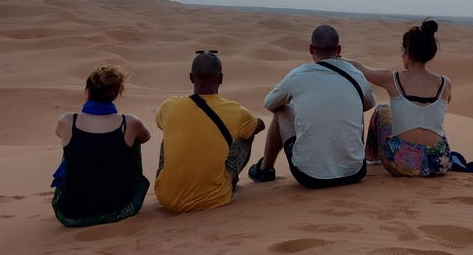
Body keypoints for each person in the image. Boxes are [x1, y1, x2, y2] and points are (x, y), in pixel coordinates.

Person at [249, 24, 376, 188]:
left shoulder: (298, 75)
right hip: (355, 172)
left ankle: (265, 168)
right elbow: (370, 103)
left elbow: (270, 103)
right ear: (339, 49)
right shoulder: (356, 74)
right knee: (355, 104)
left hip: (310, 176)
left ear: (311, 49)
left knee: (283, 109)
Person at [155, 51, 265, 213]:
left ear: (191, 78)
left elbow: (160, 124)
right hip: (213, 199)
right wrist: (246, 120)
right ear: (221, 78)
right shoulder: (235, 111)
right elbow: (259, 126)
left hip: (166, 199)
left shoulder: (169, 105)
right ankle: (224, 181)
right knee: (246, 136)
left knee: (169, 132)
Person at [344, 19, 453, 177]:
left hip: (401, 163)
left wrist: (336, 58)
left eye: (402, 50)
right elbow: (446, 103)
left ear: (408, 52)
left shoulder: (393, 79)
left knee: (382, 110)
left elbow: (360, 68)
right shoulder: (445, 83)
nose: (401, 54)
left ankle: (372, 158)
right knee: (438, 123)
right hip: (438, 162)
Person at [52, 64, 152, 226]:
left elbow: (59, 134)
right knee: (132, 140)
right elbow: (145, 137)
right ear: (115, 95)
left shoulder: (67, 120)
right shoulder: (130, 122)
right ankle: (118, 189)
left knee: (71, 143)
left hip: (70, 215)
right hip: (119, 208)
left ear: (87, 93)